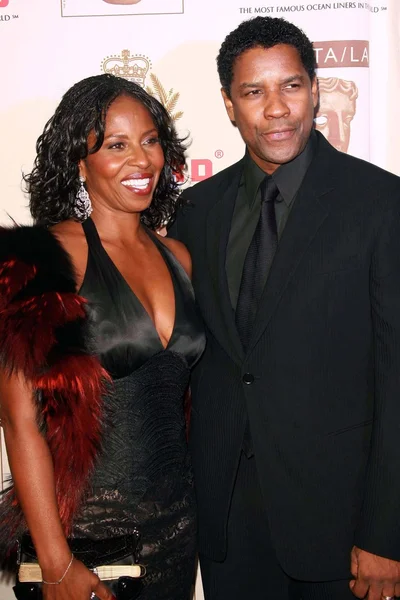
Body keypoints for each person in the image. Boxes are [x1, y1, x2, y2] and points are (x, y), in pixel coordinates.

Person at [168, 15, 400, 600]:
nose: (276, 109)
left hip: (343, 528)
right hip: (228, 525)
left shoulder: (379, 203)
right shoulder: (196, 210)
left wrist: (387, 534)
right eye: (254, 91)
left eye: (291, 86)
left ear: (316, 89)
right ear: (228, 103)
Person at [0, 73, 205, 600]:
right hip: (86, 548)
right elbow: (20, 422)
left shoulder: (178, 257)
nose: (142, 160)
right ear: (78, 162)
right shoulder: (42, 259)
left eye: (151, 140)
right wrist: (55, 562)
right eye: (116, 145)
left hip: (177, 533)